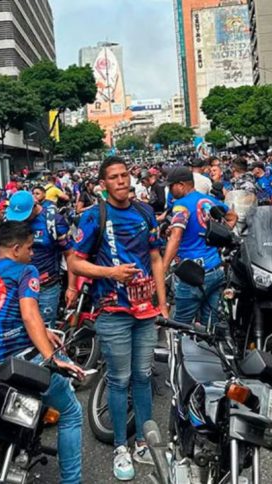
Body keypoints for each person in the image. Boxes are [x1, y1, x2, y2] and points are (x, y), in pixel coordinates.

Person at [67, 156, 167, 480]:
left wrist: (161, 304)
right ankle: (120, 446)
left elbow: (155, 257)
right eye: (114, 177)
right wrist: (111, 272)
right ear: (103, 184)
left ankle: (143, 441)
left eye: (125, 175)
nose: (122, 181)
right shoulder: (94, 216)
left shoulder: (145, 212)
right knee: (119, 379)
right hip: (112, 312)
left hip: (145, 311)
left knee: (143, 376)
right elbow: (75, 262)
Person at [0, 221, 84, 484]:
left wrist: (45, 331)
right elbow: (29, 313)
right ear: (16, 248)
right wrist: (52, 357)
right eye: (30, 248)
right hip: (20, 364)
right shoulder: (25, 270)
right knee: (71, 411)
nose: (33, 254)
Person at [162, 167, 236, 333]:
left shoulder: (181, 206)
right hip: (215, 270)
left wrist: (163, 267)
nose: (169, 190)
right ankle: (211, 356)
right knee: (210, 327)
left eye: (171, 186)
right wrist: (219, 238)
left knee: (179, 328)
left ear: (181, 185)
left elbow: (176, 237)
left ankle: (182, 357)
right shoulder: (208, 200)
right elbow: (232, 217)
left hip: (192, 274)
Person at [5, 190, 76, 328]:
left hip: (47, 286)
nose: (21, 220)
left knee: (45, 330)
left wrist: (72, 287)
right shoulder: (11, 221)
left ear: (35, 206)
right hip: (18, 285)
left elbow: (70, 254)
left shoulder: (54, 221)